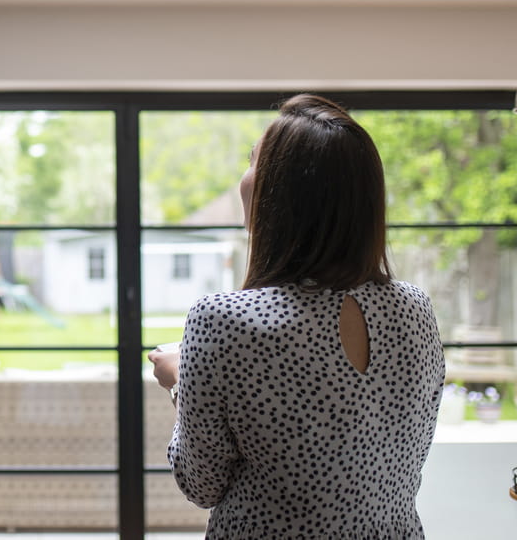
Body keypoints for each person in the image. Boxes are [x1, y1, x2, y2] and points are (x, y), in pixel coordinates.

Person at [148, 94, 445, 538]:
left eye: (254, 162)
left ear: (281, 192)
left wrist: (180, 383)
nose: (243, 179)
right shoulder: (414, 307)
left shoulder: (224, 322)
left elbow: (201, 484)